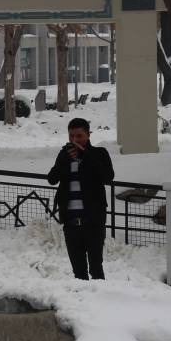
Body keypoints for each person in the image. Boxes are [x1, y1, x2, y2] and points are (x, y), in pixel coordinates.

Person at [47, 118, 115, 280]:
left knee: (96, 269)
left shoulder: (99, 153)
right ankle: (82, 302)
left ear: (88, 135)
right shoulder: (65, 154)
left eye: (79, 136)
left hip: (93, 222)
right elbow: (52, 179)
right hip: (71, 222)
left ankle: (101, 302)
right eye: (71, 136)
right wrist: (64, 159)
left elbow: (107, 177)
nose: (75, 140)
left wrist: (86, 155)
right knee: (78, 272)